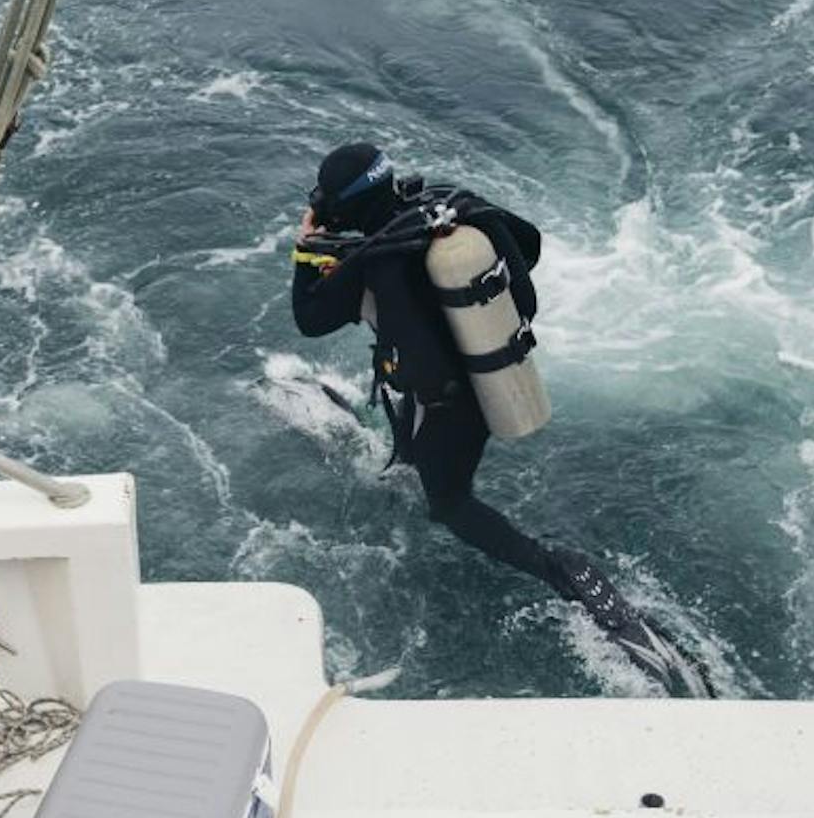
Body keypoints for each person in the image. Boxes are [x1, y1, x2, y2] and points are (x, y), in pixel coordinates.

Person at [291, 141, 707, 696]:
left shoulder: (374, 259)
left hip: (451, 403)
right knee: (419, 461)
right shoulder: (448, 210)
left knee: (449, 504)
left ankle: (558, 569)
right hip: (487, 367)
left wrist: (304, 250)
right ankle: (407, 462)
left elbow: (308, 319)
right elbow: (527, 247)